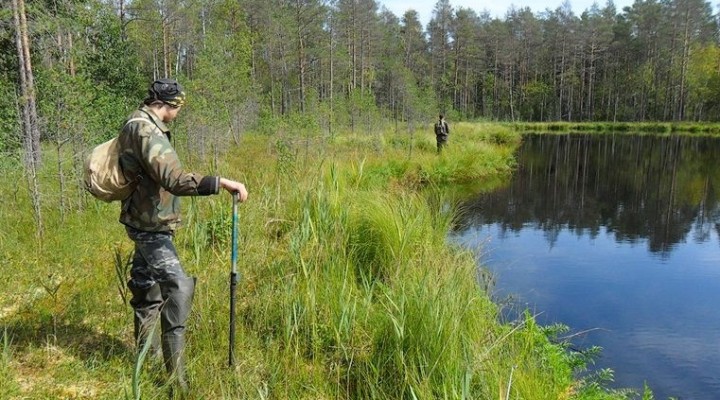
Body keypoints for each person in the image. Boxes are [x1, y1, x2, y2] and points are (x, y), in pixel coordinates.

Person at [117, 78, 248, 396]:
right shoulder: (147, 131)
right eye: (178, 107)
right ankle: (176, 380)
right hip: (150, 226)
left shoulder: (136, 122)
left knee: (147, 291)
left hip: (142, 219)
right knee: (177, 287)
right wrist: (221, 183)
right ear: (169, 105)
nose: (178, 113)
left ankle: (146, 360)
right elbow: (175, 180)